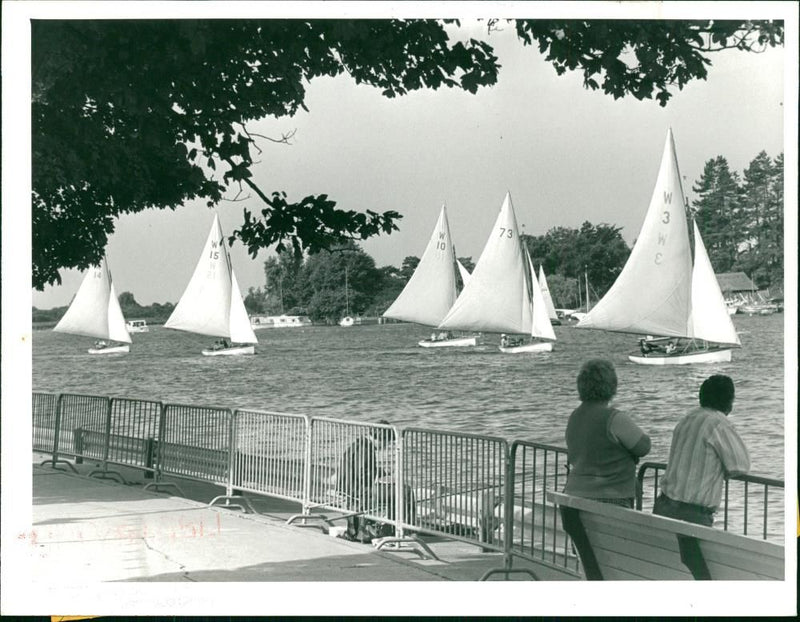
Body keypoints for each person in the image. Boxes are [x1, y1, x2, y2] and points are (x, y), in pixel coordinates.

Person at [653, 374, 750, 527]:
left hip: (663, 505)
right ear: (729, 401)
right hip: (692, 514)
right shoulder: (718, 423)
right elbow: (740, 466)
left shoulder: (687, 418)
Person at [563, 359, 651, 508]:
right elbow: (643, 447)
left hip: (573, 497)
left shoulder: (575, 416)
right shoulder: (614, 418)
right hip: (610, 499)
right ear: (611, 386)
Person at [335, 420, 393, 542]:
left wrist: (379, 472)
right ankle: (402, 529)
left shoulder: (358, 444)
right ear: (382, 439)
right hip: (358, 490)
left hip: (347, 487)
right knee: (400, 494)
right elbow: (363, 474)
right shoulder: (367, 449)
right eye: (387, 442)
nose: (386, 446)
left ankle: (358, 530)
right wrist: (379, 476)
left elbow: (361, 468)